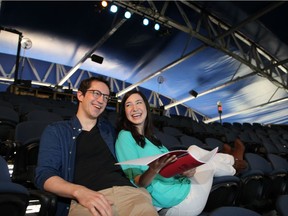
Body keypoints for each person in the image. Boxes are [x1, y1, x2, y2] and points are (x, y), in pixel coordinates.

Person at [34, 77, 158, 216]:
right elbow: (44, 175)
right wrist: (79, 192)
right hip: (86, 200)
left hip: (129, 194)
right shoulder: (57, 131)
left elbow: (137, 138)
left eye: (105, 97)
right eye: (96, 93)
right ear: (80, 95)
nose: (101, 100)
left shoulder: (110, 131)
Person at [115, 89, 236, 216]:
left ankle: (231, 160)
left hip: (181, 186)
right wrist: (153, 170)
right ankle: (233, 165)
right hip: (179, 202)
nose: (134, 108)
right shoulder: (125, 136)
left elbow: (172, 171)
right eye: (128, 105)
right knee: (208, 165)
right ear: (124, 112)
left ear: (146, 107)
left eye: (138, 103)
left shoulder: (152, 138)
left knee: (194, 149)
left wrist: (187, 172)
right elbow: (138, 182)